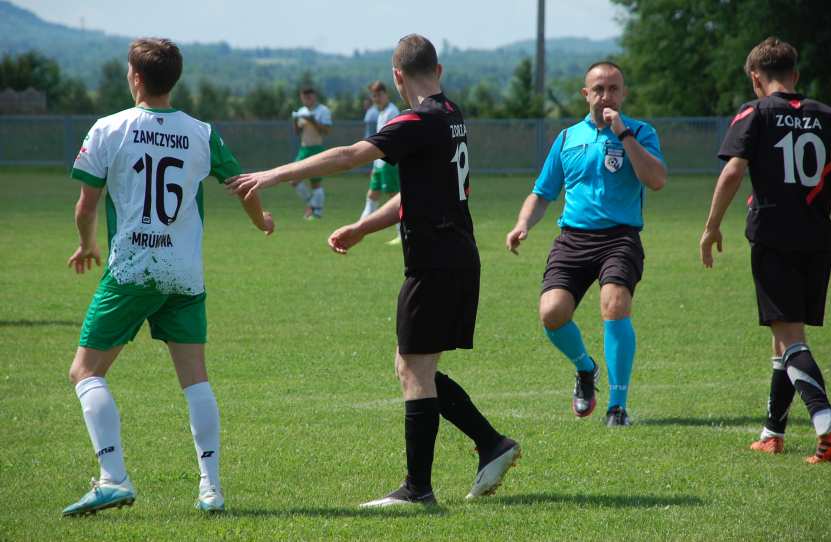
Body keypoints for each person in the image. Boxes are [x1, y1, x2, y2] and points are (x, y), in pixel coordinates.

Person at [227, 34, 520, 507]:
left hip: (436, 260)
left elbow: (347, 155)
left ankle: (418, 490)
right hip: (454, 255)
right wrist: (364, 227)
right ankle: (491, 444)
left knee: (414, 368)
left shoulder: (415, 121)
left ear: (397, 77)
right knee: (412, 366)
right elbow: (418, 194)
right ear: (438, 71)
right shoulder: (451, 116)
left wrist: (274, 175)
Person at [62, 37, 274, 517]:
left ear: (136, 77)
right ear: (172, 79)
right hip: (184, 274)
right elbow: (241, 185)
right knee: (195, 379)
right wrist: (261, 220)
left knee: (85, 371)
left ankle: (113, 477)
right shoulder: (201, 132)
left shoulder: (109, 128)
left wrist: (87, 243)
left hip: (133, 269)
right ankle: (211, 489)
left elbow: (86, 205)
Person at [700, 37, 831, 463]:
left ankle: (828, 426)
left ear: (756, 78)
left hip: (773, 236)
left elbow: (734, 168)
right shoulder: (829, 117)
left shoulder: (756, 113)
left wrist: (712, 226)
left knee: (789, 338)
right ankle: (773, 431)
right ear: (796, 75)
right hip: (817, 238)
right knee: (787, 336)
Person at [505, 61, 666, 427]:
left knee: (615, 304)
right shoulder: (567, 138)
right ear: (586, 94)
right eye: (599, 89)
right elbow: (543, 193)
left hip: (620, 237)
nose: (606, 95)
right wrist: (522, 223)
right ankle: (585, 368)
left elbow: (656, 180)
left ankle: (617, 406)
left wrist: (624, 134)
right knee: (552, 313)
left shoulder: (641, 132)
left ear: (623, 94)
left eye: (613, 88)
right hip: (573, 239)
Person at [360, 80, 402, 245]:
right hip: (379, 163)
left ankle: (402, 234)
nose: (376, 99)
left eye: (379, 95)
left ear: (386, 94)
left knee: (394, 197)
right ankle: (360, 229)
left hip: (389, 162)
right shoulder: (381, 112)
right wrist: (375, 164)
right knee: (372, 195)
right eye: (374, 96)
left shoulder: (392, 111)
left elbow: (392, 140)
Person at [291, 87, 333, 219]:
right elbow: (297, 132)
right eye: (303, 97)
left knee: (315, 183)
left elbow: (326, 131)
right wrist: (295, 121)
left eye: (309, 97)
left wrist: (312, 121)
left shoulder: (323, 110)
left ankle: (317, 213)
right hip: (304, 149)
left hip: (316, 148)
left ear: (314, 96)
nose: (306, 100)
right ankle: (313, 205)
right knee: (293, 180)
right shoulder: (302, 111)